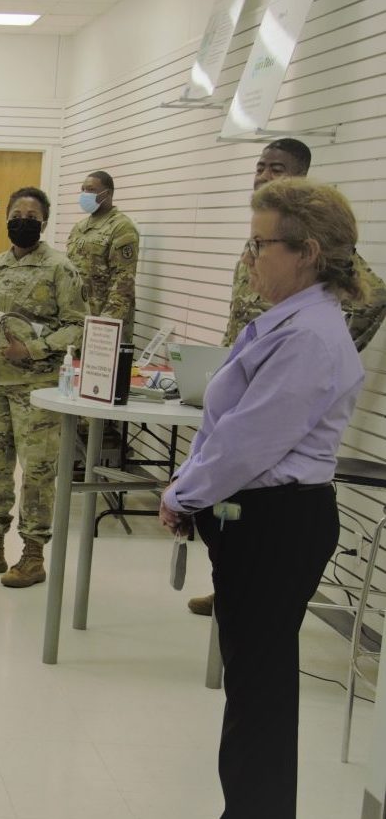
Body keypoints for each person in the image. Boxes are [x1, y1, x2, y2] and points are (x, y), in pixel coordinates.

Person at [160, 178, 365, 818]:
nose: (250, 259)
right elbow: (229, 423)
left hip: (277, 523)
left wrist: (184, 494)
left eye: (260, 245)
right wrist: (192, 487)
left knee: (259, 690)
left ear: (305, 251)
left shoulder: (308, 336)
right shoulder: (289, 322)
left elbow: (249, 441)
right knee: (255, 686)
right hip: (264, 520)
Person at [188, 137, 386, 617]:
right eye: (259, 166)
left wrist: (323, 365)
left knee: (259, 652)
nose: (262, 174)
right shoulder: (266, 242)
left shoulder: (312, 264)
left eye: (275, 167)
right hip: (255, 383)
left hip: (281, 481)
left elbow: (371, 294)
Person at [0, 187, 85, 588]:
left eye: (31, 214)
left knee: (38, 473)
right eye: (16, 212)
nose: (22, 219)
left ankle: (32, 555)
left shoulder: (61, 268)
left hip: (39, 389)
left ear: (43, 222)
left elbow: (79, 325)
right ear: (6, 217)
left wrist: (33, 348)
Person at [65, 171, 139, 340]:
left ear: (108, 193)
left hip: (104, 325)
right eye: (83, 189)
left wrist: (105, 326)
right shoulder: (79, 227)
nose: (85, 194)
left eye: (90, 190)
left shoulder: (121, 227)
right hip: (77, 320)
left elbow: (123, 282)